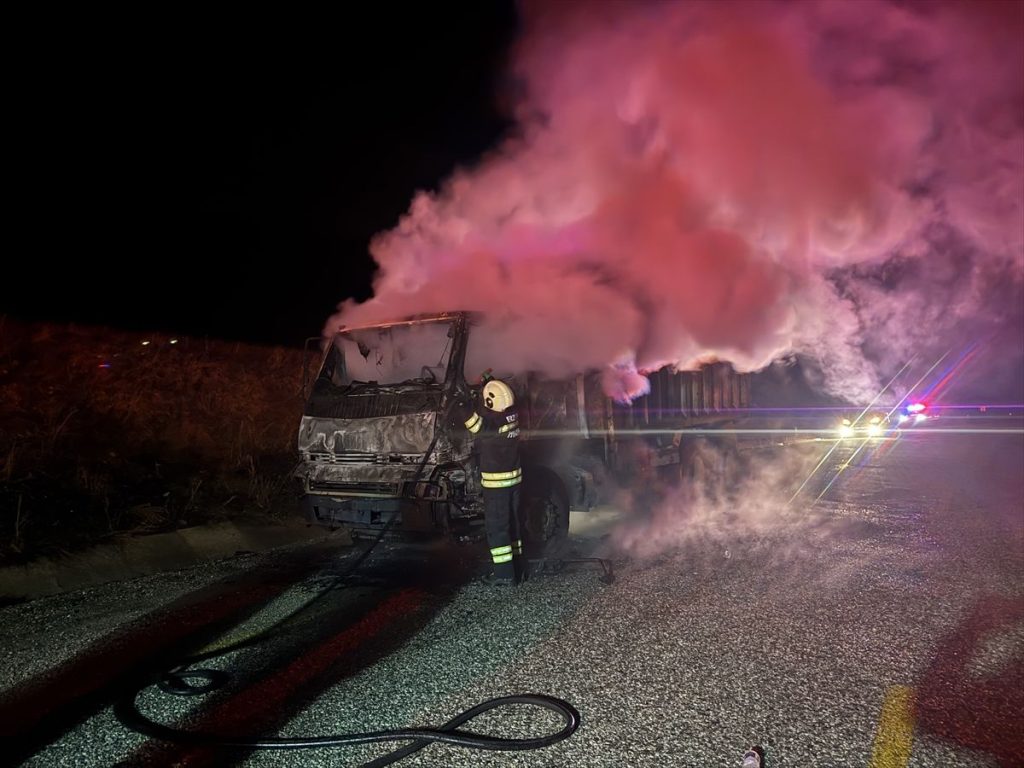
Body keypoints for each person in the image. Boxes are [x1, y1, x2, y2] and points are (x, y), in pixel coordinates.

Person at [458, 372, 525, 585]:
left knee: (498, 529)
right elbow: (493, 405)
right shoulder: (511, 415)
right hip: (514, 482)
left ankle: (504, 576)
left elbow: (476, 425)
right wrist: (487, 385)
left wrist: (462, 405)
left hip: (497, 485)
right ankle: (518, 569)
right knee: (513, 525)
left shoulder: (492, 425)